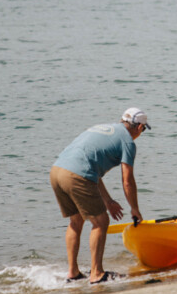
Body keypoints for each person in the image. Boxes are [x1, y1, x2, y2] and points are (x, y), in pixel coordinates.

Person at [50, 108, 149, 284]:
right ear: (140, 126)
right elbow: (127, 180)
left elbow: (91, 169)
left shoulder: (103, 128)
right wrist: (135, 208)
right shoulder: (128, 142)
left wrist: (108, 200)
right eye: (144, 129)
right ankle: (96, 273)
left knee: (76, 220)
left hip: (57, 171)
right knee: (101, 221)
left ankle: (72, 273)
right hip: (76, 175)